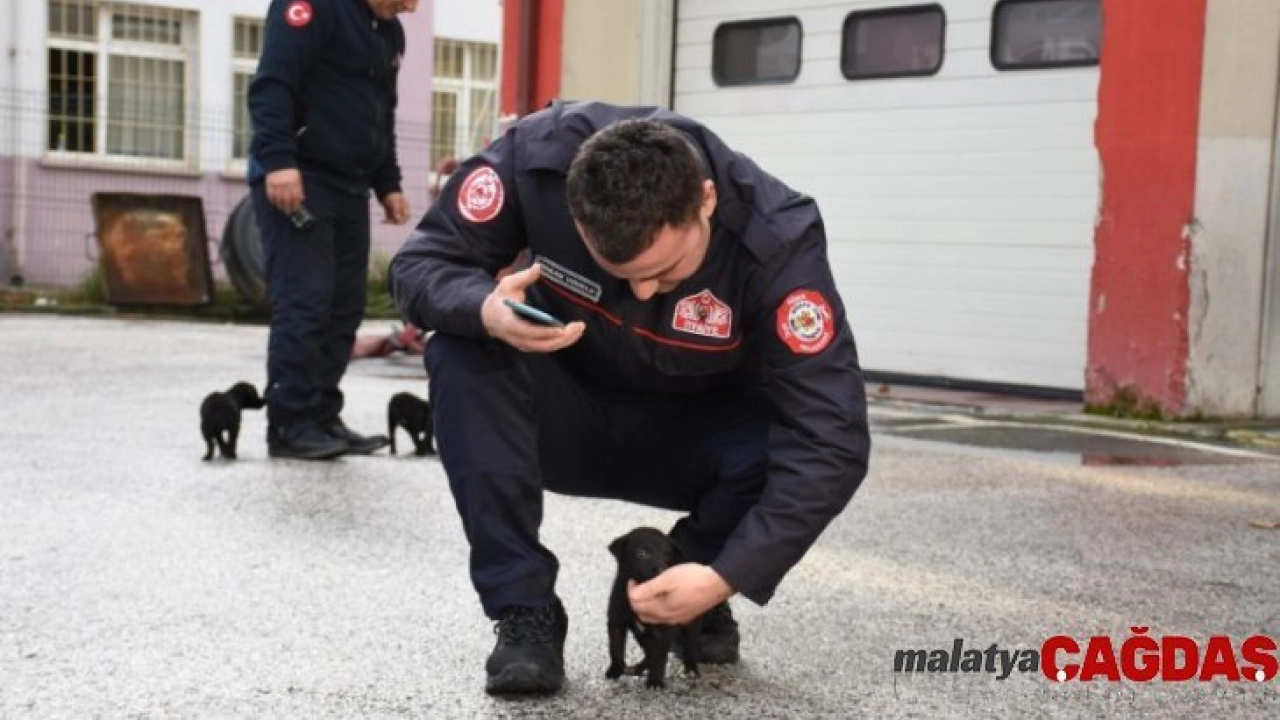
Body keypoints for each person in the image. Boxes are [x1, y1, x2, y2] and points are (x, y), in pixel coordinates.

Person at [389, 101, 871, 695]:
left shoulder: (778, 242)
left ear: (707, 201)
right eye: (620, 271)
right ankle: (524, 611)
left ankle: (687, 585)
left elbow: (832, 439)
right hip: (560, 413)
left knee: (792, 440)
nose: (643, 291)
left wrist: (724, 575)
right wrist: (484, 309)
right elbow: (421, 262)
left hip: (691, 433)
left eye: (666, 272)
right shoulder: (534, 164)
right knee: (459, 350)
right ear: (572, 211)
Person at [246, 0, 418, 460]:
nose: (412, 7)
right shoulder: (313, 6)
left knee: (344, 307)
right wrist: (278, 161)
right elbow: (273, 84)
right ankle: (290, 424)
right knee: (306, 302)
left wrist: (388, 183)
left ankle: (321, 416)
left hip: (350, 183)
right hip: (300, 177)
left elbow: (380, 112)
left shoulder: (388, 32)